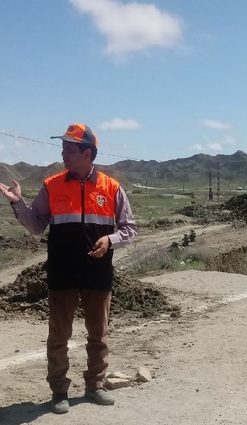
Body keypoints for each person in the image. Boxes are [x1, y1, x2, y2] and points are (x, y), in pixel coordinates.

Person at [0, 123, 137, 414]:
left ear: (87, 153)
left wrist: (110, 240)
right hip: (62, 271)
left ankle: (94, 386)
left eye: (69, 150)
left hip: (97, 273)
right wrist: (18, 204)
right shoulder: (52, 185)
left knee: (98, 335)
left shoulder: (112, 188)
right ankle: (59, 391)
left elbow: (129, 229)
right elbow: (36, 225)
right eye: (63, 149)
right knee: (59, 335)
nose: (63, 154)